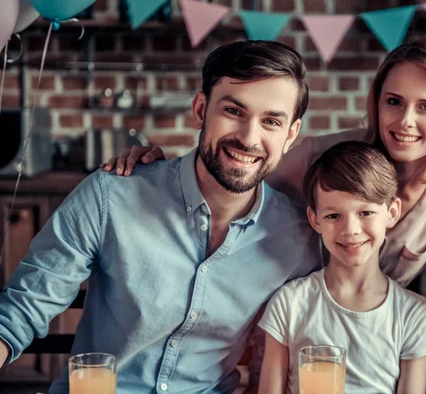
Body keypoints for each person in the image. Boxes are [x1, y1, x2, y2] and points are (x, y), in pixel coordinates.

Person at [102, 35, 426, 328]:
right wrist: (156, 166)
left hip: (380, 334)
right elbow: (232, 169)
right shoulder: (321, 157)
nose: (405, 120)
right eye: (394, 101)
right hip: (287, 321)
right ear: (376, 102)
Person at [0, 40, 323, 393]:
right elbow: (21, 308)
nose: (249, 138)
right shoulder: (112, 195)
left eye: (271, 121)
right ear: (201, 109)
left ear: (290, 134)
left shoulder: (298, 238)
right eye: (233, 111)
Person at [258, 141, 426, 394]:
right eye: (334, 216)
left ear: (392, 212)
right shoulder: (290, 304)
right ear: (315, 219)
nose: (351, 230)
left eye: (365, 212)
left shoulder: (414, 315)